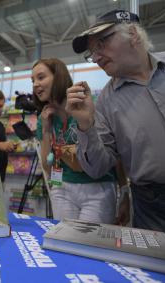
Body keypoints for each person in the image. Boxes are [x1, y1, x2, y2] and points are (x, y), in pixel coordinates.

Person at [67, 9, 165, 282]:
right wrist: (85, 126)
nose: (96, 57)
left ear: (132, 34)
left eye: (102, 44)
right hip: (160, 212)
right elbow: (97, 167)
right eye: (91, 53)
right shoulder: (104, 103)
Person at [32, 58, 129, 224]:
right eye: (33, 80)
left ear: (59, 77)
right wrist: (47, 129)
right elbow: (48, 166)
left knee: (90, 245)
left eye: (41, 78)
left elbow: (114, 155)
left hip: (97, 189)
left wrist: (125, 192)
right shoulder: (44, 117)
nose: (35, 85)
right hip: (61, 187)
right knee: (64, 243)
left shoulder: (85, 106)